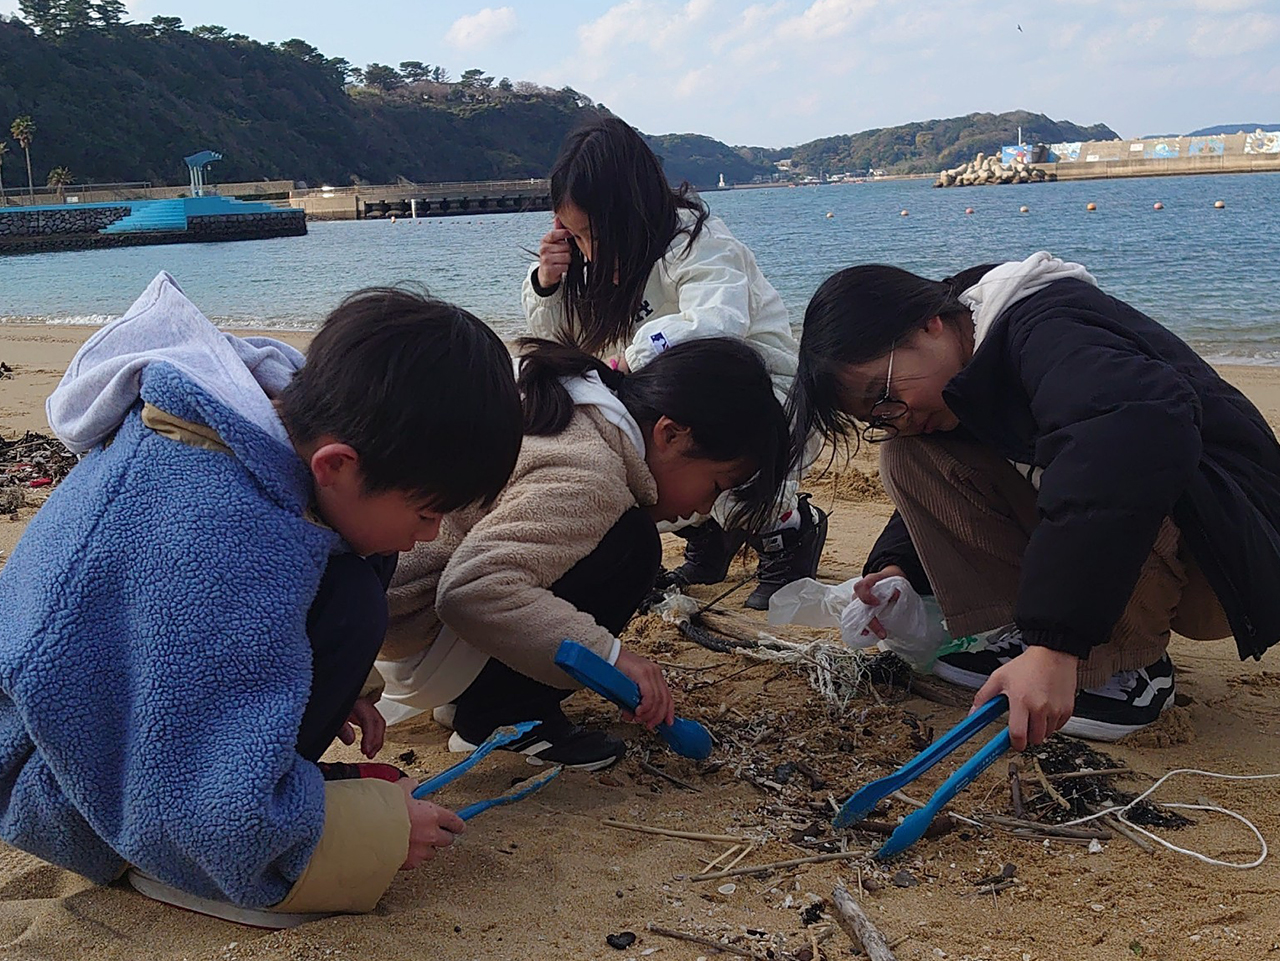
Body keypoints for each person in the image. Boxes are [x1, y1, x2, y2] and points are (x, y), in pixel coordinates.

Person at [0, 274, 524, 918]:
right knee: (360, 592)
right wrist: (357, 834)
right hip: (55, 781)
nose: (431, 536)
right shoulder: (213, 533)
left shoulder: (275, 434)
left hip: (102, 735)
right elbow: (177, 773)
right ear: (336, 464)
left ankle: (265, 786)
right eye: (425, 512)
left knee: (362, 569)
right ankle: (188, 864)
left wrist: (343, 684)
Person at [788, 251, 1280, 751]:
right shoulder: (968, 367)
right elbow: (970, 468)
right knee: (909, 453)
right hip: (1175, 538)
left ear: (930, 324)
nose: (895, 416)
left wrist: (1056, 644)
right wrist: (898, 571)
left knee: (1115, 458)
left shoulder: (1049, 328)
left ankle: (1126, 667)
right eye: (875, 416)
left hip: (1232, 553)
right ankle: (1020, 639)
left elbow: (1127, 444)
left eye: (886, 394)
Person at [376, 336, 791, 770]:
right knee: (630, 545)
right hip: (414, 629)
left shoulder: (583, 398)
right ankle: (503, 715)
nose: (704, 508)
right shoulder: (590, 475)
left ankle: (474, 696)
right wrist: (611, 658)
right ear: (670, 433)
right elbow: (472, 591)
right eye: (717, 485)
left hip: (392, 608)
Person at [522, 116, 826, 610]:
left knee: (703, 447)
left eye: (595, 234)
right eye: (575, 237)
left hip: (762, 395)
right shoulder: (591, 265)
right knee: (630, 447)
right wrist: (548, 285)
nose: (589, 251)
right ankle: (706, 534)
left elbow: (715, 324)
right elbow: (556, 341)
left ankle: (787, 527)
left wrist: (627, 366)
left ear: (634, 212)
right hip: (670, 392)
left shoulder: (697, 242)